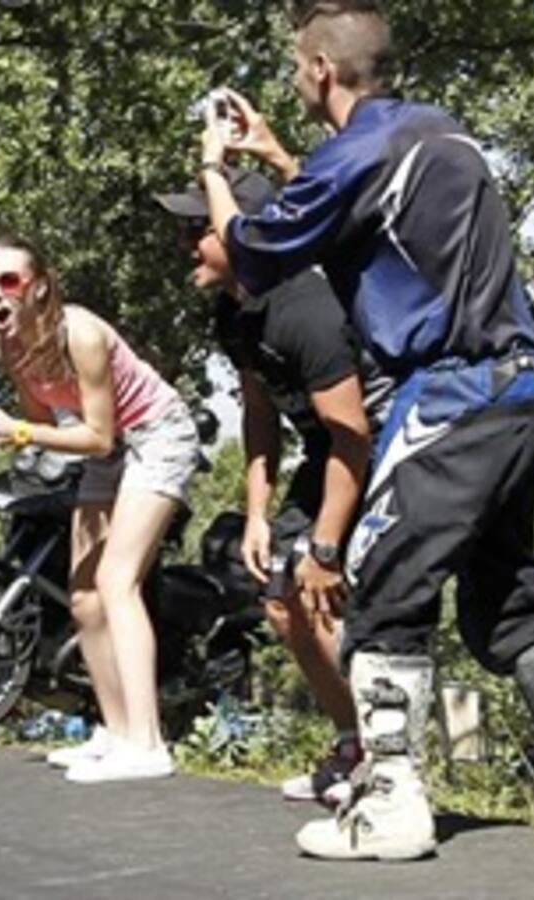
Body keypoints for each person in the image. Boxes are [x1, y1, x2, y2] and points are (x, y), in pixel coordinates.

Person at [197, 0, 534, 859]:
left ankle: (389, 803)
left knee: (381, 592)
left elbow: (252, 248)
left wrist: (214, 165)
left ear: (319, 70)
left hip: (448, 396)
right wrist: (277, 152)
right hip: (523, 390)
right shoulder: (440, 133)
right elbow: (357, 199)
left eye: (298, 65)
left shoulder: (355, 152)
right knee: (508, 598)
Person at [155, 166, 391, 805]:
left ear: (246, 233)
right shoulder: (235, 314)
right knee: (281, 599)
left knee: (345, 599)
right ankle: (354, 743)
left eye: (197, 231)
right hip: (327, 452)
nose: (184, 246)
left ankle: (393, 762)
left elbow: (356, 437)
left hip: (385, 449)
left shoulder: (306, 310)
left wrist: (325, 547)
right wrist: (258, 514)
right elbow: (260, 414)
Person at [0, 234, 199, 783]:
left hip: (156, 436)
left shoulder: (78, 333)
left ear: (39, 287)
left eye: (9, 281)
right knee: (83, 599)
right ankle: (117, 731)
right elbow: (48, 424)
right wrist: (2, 426)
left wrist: (15, 431)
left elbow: (99, 436)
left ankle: (149, 743)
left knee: (117, 582)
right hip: (107, 448)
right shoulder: (6, 342)